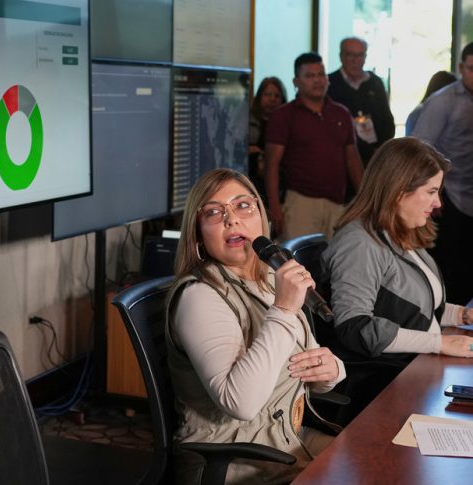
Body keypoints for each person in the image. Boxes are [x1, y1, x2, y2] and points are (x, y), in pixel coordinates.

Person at [166, 168, 345, 484]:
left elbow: (309, 364)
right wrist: (285, 309)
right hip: (238, 461)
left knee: (376, 459)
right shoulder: (199, 297)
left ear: (262, 217)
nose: (231, 219)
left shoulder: (271, 278)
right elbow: (241, 403)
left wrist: (331, 371)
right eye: (214, 212)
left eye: (243, 205)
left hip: (286, 437)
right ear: (197, 233)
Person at [322, 137, 473, 419]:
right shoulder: (360, 244)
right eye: (431, 192)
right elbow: (355, 326)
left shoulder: (397, 233)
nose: (438, 203)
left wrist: (463, 315)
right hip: (380, 388)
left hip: (414, 372)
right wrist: (438, 343)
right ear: (400, 191)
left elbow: (413, 310)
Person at [265, 52, 363, 241]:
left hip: (338, 204)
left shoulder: (341, 113)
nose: (317, 80)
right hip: (301, 203)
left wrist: (365, 200)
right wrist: (274, 206)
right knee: (300, 258)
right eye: (310, 76)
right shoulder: (283, 116)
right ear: (296, 82)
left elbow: (353, 160)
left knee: (336, 257)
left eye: (321, 74)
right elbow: (272, 164)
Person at [411, 41, 473, 304]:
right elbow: (418, 149)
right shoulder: (443, 101)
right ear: (461, 68)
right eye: (471, 68)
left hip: (469, 193)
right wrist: (430, 194)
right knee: (448, 268)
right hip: (447, 196)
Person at [327, 37, 395, 165]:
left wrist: (381, 149)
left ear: (365, 57)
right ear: (341, 56)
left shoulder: (375, 82)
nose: (355, 60)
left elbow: (387, 118)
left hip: (376, 156)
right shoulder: (330, 84)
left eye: (360, 55)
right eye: (350, 55)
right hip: (343, 157)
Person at [248, 77, 287, 203]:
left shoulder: (287, 124)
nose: (272, 99)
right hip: (250, 181)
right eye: (267, 94)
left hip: (280, 184)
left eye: (277, 96)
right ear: (259, 97)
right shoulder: (245, 121)